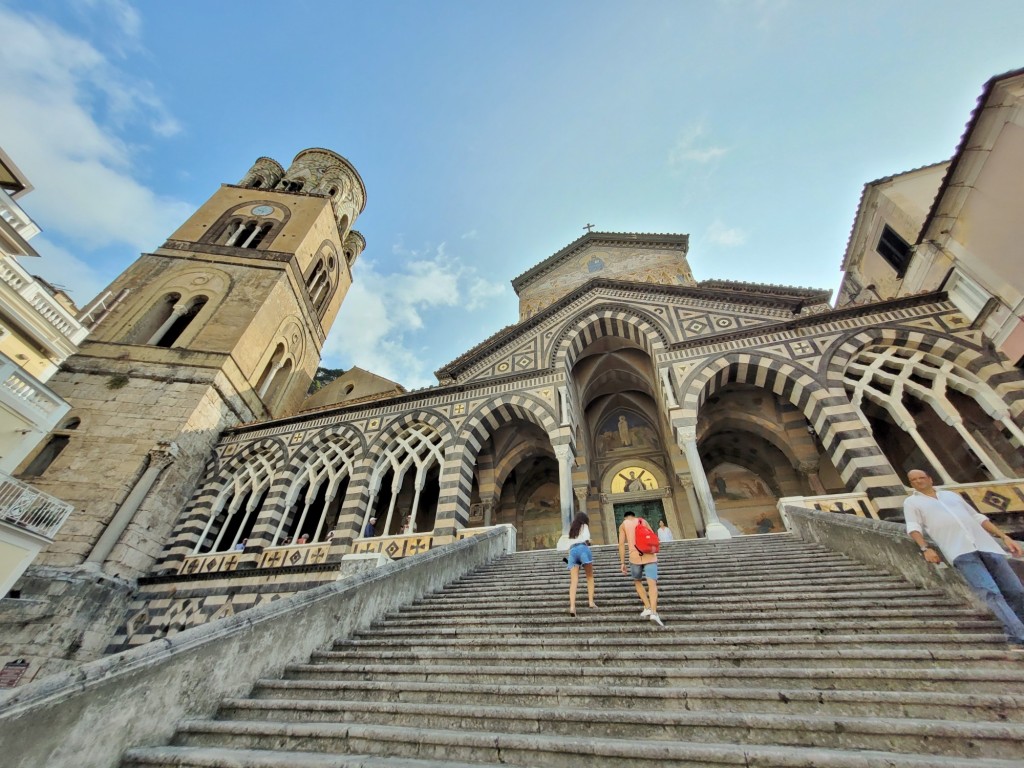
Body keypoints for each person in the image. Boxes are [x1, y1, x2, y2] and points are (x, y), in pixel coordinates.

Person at [904, 469, 1024, 648]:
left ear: (930, 478)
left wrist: (1004, 537)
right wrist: (925, 548)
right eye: (914, 480)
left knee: (1016, 590)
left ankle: (1014, 635)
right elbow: (913, 527)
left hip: (986, 545)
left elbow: (978, 517)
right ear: (911, 484)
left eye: (922, 477)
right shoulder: (912, 502)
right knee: (990, 593)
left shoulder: (951, 495)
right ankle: (1020, 634)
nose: (919, 481)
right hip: (960, 551)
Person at [618, 510, 664, 627]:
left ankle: (647, 606)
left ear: (625, 518)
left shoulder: (623, 525)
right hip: (649, 555)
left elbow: (622, 544)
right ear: (634, 516)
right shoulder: (643, 521)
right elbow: (653, 536)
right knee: (652, 583)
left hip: (634, 557)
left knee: (637, 581)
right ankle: (654, 612)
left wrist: (622, 562)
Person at [564, 512, 597, 618]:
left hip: (572, 551)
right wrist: (590, 542)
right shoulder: (585, 526)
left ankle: (572, 607)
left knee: (574, 581)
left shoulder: (572, 529)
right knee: (590, 577)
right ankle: (591, 602)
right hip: (583, 549)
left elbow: (569, 544)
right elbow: (587, 539)